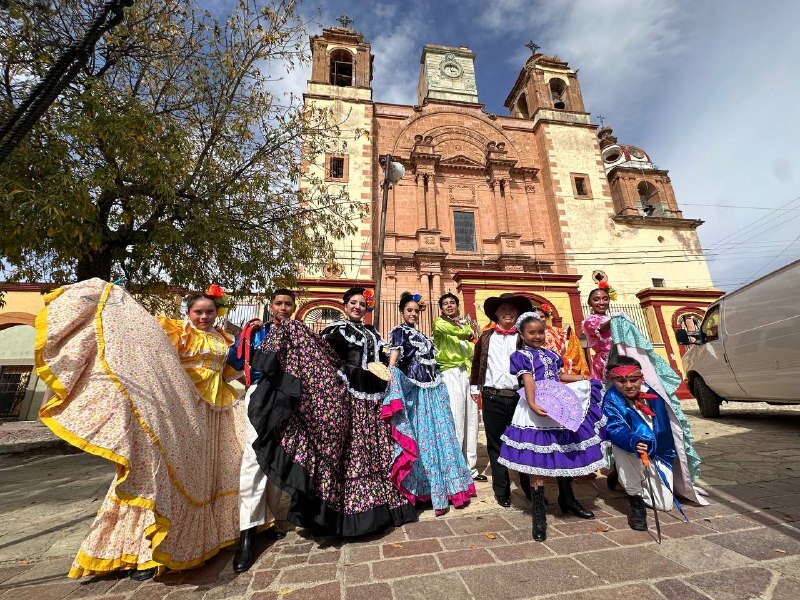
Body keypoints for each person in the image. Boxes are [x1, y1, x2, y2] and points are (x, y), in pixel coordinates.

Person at [37, 280, 246, 580]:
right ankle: (145, 551)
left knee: (206, 474)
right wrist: (119, 302)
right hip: (177, 408)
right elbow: (151, 354)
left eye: (209, 312)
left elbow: (229, 372)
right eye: (198, 312)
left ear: (217, 312)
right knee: (160, 471)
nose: (204, 317)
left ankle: (210, 538)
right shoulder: (175, 331)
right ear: (188, 312)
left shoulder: (223, 339)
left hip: (211, 413)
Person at [248, 286, 416, 537]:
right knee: (348, 449)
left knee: (373, 449)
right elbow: (324, 359)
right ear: (345, 305)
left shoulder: (373, 332)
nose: (358, 307)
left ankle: (379, 508)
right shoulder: (335, 330)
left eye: (362, 304)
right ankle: (341, 513)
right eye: (353, 303)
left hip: (373, 397)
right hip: (347, 396)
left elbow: (382, 359)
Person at [499, 312, 609, 541]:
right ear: (522, 334)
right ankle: (539, 513)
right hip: (536, 409)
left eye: (541, 332)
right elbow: (528, 379)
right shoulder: (521, 356)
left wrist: (582, 378)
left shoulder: (551, 354)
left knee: (563, 450)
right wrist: (532, 402)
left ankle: (567, 498)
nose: (538, 336)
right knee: (537, 460)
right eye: (532, 332)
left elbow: (559, 376)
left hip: (557, 406)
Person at [383, 292, 476, 515]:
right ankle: (417, 489)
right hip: (414, 389)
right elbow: (395, 352)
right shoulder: (399, 331)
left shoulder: (423, 335)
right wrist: (390, 370)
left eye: (416, 310)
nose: (413, 314)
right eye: (409, 310)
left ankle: (442, 488)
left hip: (432, 388)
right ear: (402, 312)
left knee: (439, 436)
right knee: (420, 437)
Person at [229, 289, 296, 573]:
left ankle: (267, 521)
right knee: (254, 458)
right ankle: (246, 534)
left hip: (290, 397)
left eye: (288, 304)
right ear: (271, 306)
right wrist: (243, 337)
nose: (283, 307)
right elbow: (235, 361)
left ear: (294, 307)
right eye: (279, 303)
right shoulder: (257, 332)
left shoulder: (298, 335)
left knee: (279, 457)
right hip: (260, 394)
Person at [470, 293, 533, 507]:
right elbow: (477, 363)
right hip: (492, 396)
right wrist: (474, 387)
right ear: (496, 314)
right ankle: (501, 490)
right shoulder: (486, 337)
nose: (508, 313)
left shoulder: (523, 338)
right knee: (496, 445)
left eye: (512, 309)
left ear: (518, 314)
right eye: (503, 309)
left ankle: (530, 487)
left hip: (519, 397)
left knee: (524, 443)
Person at [602, 356, 677, 531]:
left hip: (657, 450)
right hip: (629, 446)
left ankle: (620, 477)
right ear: (612, 379)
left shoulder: (653, 394)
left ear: (641, 378)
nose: (628, 385)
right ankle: (635, 500)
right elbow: (614, 427)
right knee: (624, 452)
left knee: (664, 504)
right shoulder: (612, 397)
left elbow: (664, 426)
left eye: (633, 380)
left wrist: (655, 447)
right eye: (621, 381)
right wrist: (633, 441)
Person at [433, 293, 485, 482]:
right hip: (450, 372)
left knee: (472, 419)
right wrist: (469, 332)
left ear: (457, 305)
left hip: (467, 373)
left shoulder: (464, 325)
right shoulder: (439, 323)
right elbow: (460, 333)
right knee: (456, 418)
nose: (449, 306)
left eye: (452, 303)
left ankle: (471, 469)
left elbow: (474, 349)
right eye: (445, 303)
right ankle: (454, 469)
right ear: (441, 308)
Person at [532, 304, 590, 376]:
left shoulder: (554, 331)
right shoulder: (529, 334)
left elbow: (568, 332)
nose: (539, 319)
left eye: (542, 317)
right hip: (538, 366)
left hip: (556, 366)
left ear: (546, 317)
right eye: (536, 317)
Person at [581, 283, 613, 380]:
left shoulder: (611, 319)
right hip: (605, 362)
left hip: (621, 358)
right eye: (596, 299)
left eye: (605, 299)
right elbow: (602, 329)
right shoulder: (590, 321)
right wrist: (616, 320)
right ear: (590, 303)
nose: (602, 302)